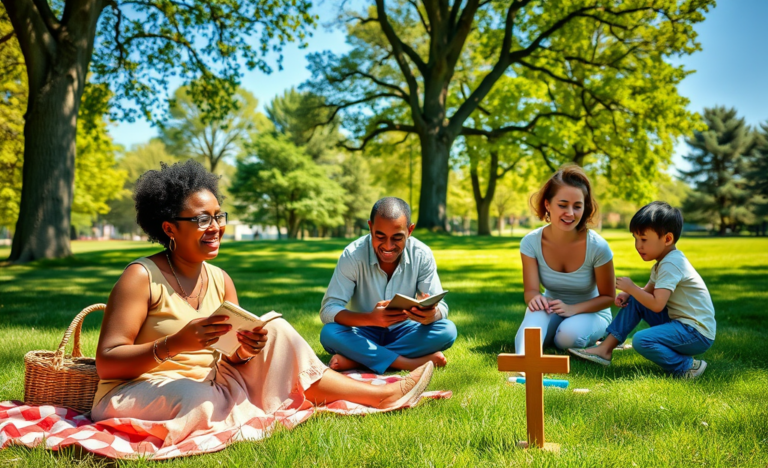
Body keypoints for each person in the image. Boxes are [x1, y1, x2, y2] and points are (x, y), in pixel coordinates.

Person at [92, 161, 434, 441]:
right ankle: (247, 406)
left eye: (218, 216)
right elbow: (108, 362)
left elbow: (234, 358)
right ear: (169, 229)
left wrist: (246, 348)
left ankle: (381, 395)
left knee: (278, 332)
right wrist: (177, 342)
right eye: (201, 219)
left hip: (211, 382)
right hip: (143, 389)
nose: (215, 227)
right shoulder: (140, 277)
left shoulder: (220, 279)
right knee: (200, 399)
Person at [569, 202, 715, 378]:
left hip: (696, 332)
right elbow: (646, 292)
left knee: (642, 340)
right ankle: (605, 349)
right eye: (635, 238)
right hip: (682, 325)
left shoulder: (671, 264)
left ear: (667, 239)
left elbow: (657, 305)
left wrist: (631, 287)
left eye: (644, 239)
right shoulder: (663, 263)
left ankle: (687, 367)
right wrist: (630, 293)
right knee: (635, 298)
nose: (638, 245)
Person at [319, 197, 457, 374]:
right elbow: (328, 310)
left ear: (410, 230)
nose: (388, 246)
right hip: (363, 330)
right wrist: (371, 319)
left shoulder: (422, 254)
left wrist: (431, 315)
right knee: (330, 333)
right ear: (370, 227)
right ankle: (408, 363)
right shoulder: (352, 255)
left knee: (447, 330)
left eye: (397, 237)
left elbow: (442, 309)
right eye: (380, 236)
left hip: (406, 331)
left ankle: (358, 359)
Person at [515, 164, 615, 355]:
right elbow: (531, 292)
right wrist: (535, 299)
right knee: (532, 330)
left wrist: (572, 309)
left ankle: (591, 335)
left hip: (591, 312)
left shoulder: (597, 246)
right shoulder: (530, 242)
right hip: (552, 307)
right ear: (547, 204)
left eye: (577, 206)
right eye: (562, 205)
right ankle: (522, 363)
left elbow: (608, 297)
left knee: (566, 338)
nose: (570, 213)